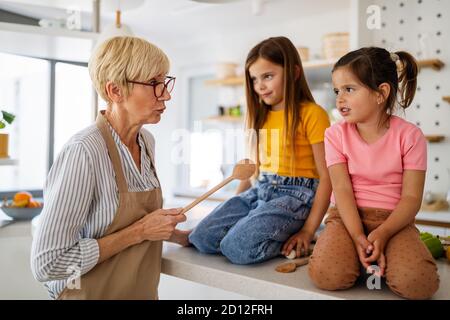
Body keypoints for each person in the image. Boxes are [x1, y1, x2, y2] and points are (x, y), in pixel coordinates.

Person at [31, 36, 187, 299]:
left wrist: (180, 236)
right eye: (154, 83)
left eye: (164, 82)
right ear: (115, 91)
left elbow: (131, 224)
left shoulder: (146, 142)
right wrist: (139, 232)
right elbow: (48, 264)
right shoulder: (83, 151)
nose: (167, 93)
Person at [308, 47, 440, 299]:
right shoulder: (334, 135)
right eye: (337, 91)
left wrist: (383, 233)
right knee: (327, 275)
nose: (340, 99)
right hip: (346, 218)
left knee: (420, 285)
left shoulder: (411, 136)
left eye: (349, 89)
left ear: (381, 93)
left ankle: (367, 258)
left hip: (394, 221)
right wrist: (358, 236)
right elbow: (342, 189)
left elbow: (411, 199)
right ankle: (360, 256)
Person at [186, 36, 332, 264]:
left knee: (235, 249)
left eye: (268, 76)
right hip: (260, 188)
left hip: (295, 197)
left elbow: (327, 177)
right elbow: (253, 170)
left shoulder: (313, 114)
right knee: (201, 238)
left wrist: (309, 230)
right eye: (254, 79)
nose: (259, 86)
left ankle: (300, 241)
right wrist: (233, 205)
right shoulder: (260, 116)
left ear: (293, 73)